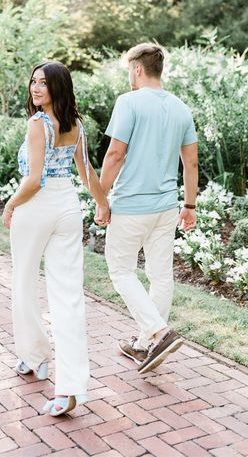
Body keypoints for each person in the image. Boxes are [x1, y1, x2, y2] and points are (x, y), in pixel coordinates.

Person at [2, 61, 110, 416]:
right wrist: (101, 203)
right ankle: (70, 388)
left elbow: (33, 181)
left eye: (44, 84)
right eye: (33, 82)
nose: (35, 89)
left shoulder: (38, 124)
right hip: (68, 208)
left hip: (36, 207)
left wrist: (9, 205)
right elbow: (87, 172)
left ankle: (35, 357)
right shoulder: (76, 125)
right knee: (68, 298)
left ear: (58, 88)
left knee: (23, 283)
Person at [96, 42, 198, 375]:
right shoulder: (181, 108)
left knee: (121, 271)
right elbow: (191, 163)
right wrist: (190, 205)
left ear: (138, 68)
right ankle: (144, 345)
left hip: (131, 206)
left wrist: (101, 196)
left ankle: (159, 333)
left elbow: (115, 155)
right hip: (167, 206)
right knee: (160, 276)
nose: (129, 75)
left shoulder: (129, 102)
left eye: (130, 69)